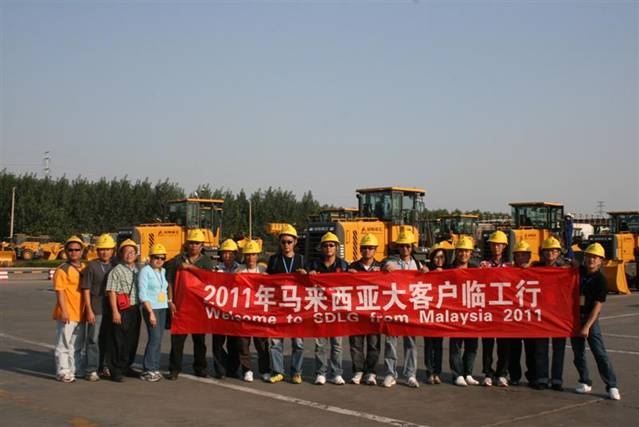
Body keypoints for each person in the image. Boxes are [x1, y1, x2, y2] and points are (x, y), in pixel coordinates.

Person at [571, 243, 621, 400]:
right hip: (574, 318)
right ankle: (584, 381)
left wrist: (587, 326)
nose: (591, 260)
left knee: (599, 353)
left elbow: (597, 306)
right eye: (588, 256)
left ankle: (612, 385)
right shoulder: (579, 271)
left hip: (590, 320)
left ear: (601, 261)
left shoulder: (601, 280)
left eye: (595, 257)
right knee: (578, 354)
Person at [166, 229, 216, 380]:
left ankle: (200, 368)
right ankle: (174, 369)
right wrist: (170, 301)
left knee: (199, 341)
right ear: (187, 244)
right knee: (177, 340)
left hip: (199, 307)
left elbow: (209, 278)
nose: (194, 246)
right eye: (191, 243)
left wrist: (189, 267)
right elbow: (170, 281)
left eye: (197, 243)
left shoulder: (207, 262)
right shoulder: (177, 260)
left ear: (202, 246)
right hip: (180, 306)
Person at [381, 230, 427, 388]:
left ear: (412, 247)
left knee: (411, 343)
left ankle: (410, 374)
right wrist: (385, 268)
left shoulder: (418, 265)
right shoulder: (391, 262)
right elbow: (381, 268)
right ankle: (390, 373)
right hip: (393, 307)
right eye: (402, 246)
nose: (405, 249)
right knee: (390, 342)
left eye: (407, 246)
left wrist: (426, 272)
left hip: (410, 309)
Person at [308, 232, 349, 385]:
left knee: (337, 345)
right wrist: (308, 274)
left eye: (331, 245)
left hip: (337, 310)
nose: (328, 248)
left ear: (337, 247)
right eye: (325, 245)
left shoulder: (343, 265)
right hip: (320, 309)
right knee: (320, 345)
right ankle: (321, 373)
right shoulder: (314, 265)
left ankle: (337, 373)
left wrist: (353, 274)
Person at [267, 224, 306, 384]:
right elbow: (266, 281)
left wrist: (306, 275)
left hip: (296, 307)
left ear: (295, 242)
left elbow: (311, 282)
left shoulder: (301, 259)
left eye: (289, 242)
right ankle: (278, 371)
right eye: (283, 242)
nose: (286, 245)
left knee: (298, 342)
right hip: (278, 307)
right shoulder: (274, 259)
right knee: (276, 342)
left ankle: (296, 372)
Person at [532, 236, 569, 391]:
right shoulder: (535, 268)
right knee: (541, 349)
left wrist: (573, 265)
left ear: (559, 252)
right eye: (547, 250)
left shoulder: (566, 268)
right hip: (541, 313)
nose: (550, 253)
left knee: (558, 349)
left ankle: (556, 380)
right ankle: (542, 378)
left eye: (554, 250)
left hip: (559, 314)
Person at [80, 233, 116, 382]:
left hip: (110, 309)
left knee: (107, 339)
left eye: (108, 249)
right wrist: (89, 309)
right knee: (93, 339)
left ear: (112, 251)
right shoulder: (92, 266)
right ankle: (91, 369)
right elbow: (86, 289)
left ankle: (105, 366)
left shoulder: (115, 266)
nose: (105, 252)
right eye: (102, 249)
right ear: (97, 250)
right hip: (96, 308)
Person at [348, 233, 382, 386]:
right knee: (356, 343)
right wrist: (348, 275)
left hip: (374, 312)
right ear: (360, 250)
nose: (367, 251)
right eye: (365, 248)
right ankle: (358, 370)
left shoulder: (381, 267)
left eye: (371, 248)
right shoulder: (353, 267)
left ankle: (371, 372)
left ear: (375, 250)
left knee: (373, 344)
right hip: (357, 311)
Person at [106, 239, 141, 382]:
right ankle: (116, 370)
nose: (129, 255)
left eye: (132, 252)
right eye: (126, 252)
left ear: (136, 254)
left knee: (132, 340)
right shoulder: (116, 270)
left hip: (135, 308)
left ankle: (127, 366)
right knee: (118, 340)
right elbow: (112, 291)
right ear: (121, 254)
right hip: (121, 309)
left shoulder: (137, 270)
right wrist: (115, 311)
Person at [52, 236, 87, 383]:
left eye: (77, 249)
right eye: (71, 250)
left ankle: (75, 369)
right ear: (66, 251)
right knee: (63, 344)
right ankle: (63, 371)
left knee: (77, 345)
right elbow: (59, 291)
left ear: (82, 251)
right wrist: (64, 311)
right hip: (67, 313)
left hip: (81, 313)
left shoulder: (84, 267)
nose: (74, 252)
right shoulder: (62, 270)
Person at [479, 230, 511, 387]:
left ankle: (502, 373)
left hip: (504, 311)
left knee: (504, 344)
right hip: (488, 309)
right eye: (493, 245)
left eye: (499, 245)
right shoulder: (484, 265)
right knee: (488, 344)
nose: (496, 247)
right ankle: (488, 373)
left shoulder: (510, 266)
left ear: (504, 246)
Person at [235, 240, 270, 382]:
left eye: (253, 254)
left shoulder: (262, 270)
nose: (251, 258)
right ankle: (247, 370)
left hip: (259, 313)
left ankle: (264, 370)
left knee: (262, 344)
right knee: (243, 344)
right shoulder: (239, 270)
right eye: (248, 255)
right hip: (244, 312)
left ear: (258, 256)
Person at [449, 235, 480, 387]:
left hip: (471, 312)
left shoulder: (476, 269)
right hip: (454, 313)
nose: (464, 254)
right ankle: (457, 374)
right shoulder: (448, 269)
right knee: (456, 345)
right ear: (457, 252)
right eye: (461, 251)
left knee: (472, 345)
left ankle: (468, 373)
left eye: (467, 251)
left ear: (471, 253)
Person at [507, 240, 537, 386]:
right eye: (518, 255)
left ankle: (533, 376)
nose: (521, 258)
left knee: (532, 350)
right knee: (514, 350)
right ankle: (514, 376)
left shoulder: (537, 271)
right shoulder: (508, 272)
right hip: (513, 317)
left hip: (530, 318)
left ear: (529, 256)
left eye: (524, 255)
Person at [138, 243, 169, 382]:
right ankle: (148, 369)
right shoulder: (145, 271)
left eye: (162, 258)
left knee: (159, 339)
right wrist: (150, 312)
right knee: (154, 338)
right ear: (150, 258)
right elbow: (142, 293)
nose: (159, 260)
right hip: (151, 308)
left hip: (162, 307)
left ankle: (155, 367)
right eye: (156, 257)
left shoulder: (163, 271)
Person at [212, 239, 241, 379]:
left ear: (235, 254)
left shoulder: (240, 269)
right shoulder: (216, 269)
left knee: (234, 342)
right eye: (225, 253)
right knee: (217, 342)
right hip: (219, 310)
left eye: (230, 253)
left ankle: (233, 369)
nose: (227, 256)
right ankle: (220, 369)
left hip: (235, 310)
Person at [423, 243, 448, 385]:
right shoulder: (426, 270)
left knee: (438, 344)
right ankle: (429, 372)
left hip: (441, 314)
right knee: (428, 344)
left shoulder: (449, 270)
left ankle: (437, 372)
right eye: (437, 257)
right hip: (428, 313)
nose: (439, 260)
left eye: (442, 257)